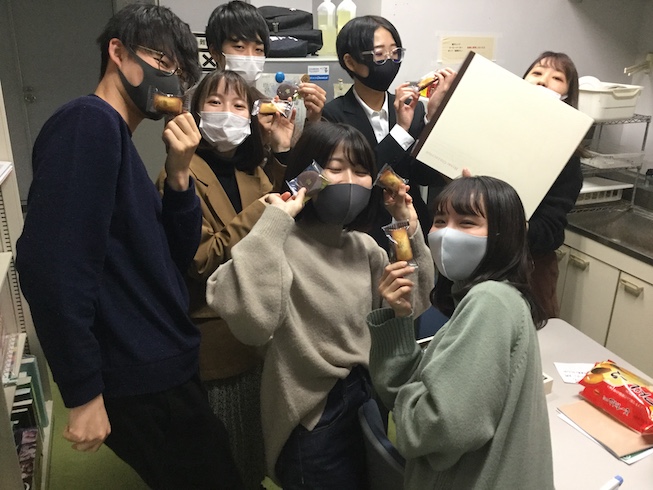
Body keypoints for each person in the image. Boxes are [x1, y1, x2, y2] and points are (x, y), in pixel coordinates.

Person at [15, 4, 242, 488]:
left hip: (161, 362)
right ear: (117, 53)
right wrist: (82, 391)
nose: (170, 80)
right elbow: (50, 266)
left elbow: (171, 258)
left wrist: (179, 174)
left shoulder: (118, 137)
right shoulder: (88, 122)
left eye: (180, 74)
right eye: (161, 61)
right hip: (139, 373)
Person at [205, 121, 435, 488]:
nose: (350, 181)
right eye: (335, 167)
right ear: (307, 176)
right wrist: (275, 220)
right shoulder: (279, 243)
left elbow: (415, 302)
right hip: (313, 417)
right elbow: (252, 324)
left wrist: (406, 223)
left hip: (366, 398)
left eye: (361, 170)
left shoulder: (364, 248)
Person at [366, 176, 554, 489]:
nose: (447, 234)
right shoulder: (478, 297)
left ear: (503, 235)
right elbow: (405, 388)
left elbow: (434, 429)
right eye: (440, 221)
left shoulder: (490, 301)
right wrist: (400, 316)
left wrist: (414, 403)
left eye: (467, 223)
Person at [156, 68, 293, 489]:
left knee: (255, 445)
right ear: (195, 112)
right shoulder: (179, 173)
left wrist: (281, 150)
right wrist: (262, 212)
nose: (227, 113)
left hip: (260, 328)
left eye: (238, 105)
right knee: (225, 451)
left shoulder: (252, 170)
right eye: (215, 103)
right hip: (215, 335)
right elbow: (201, 261)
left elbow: (280, 226)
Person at [322, 15, 455, 245]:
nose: (390, 61)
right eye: (379, 54)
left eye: (395, 53)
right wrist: (401, 130)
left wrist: (433, 118)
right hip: (361, 233)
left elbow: (425, 176)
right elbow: (364, 172)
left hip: (412, 227)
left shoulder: (413, 108)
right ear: (351, 62)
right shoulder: (333, 115)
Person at [522, 51, 585, 318]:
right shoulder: (492, 132)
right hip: (477, 263)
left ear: (567, 95)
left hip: (529, 269)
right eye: (537, 73)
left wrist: (511, 225)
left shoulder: (565, 156)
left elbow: (551, 229)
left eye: (556, 77)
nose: (543, 80)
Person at [205, 0, 327, 124]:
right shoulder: (196, 101)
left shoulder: (268, 108)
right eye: (239, 47)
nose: (251, 56)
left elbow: (291, 135)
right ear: (215, 52)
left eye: (258, 50)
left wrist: (313, 118)